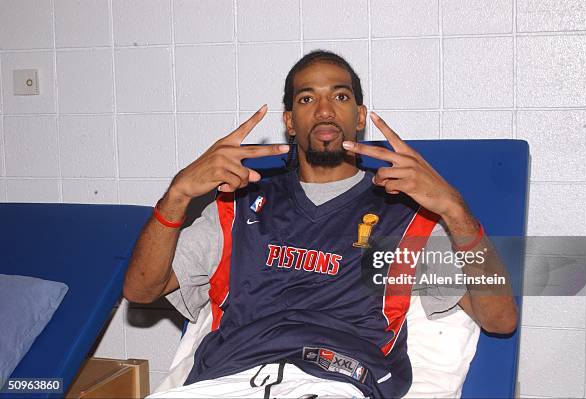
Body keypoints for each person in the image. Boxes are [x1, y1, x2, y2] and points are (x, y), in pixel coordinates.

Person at [123, 51, 518, 399]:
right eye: (308, 98)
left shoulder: (402, 217)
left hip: (334, 383)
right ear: (290, 121)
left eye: (340, 96)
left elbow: (499, 320)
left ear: (359, 117)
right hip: (223, 381)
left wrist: (455, 210)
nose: (325, 110)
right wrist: (177, 195)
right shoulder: (238, 206)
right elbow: (141, 291)